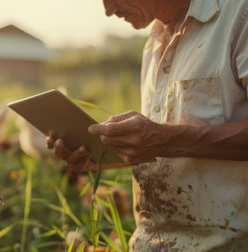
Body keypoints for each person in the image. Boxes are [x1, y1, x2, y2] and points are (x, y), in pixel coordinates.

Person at [47, 0, 248, 251]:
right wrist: (100, 157)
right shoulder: (153, 44)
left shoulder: (239, 15)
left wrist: (166, 139)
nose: (109, 11)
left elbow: (167, 140)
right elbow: (166, 146)